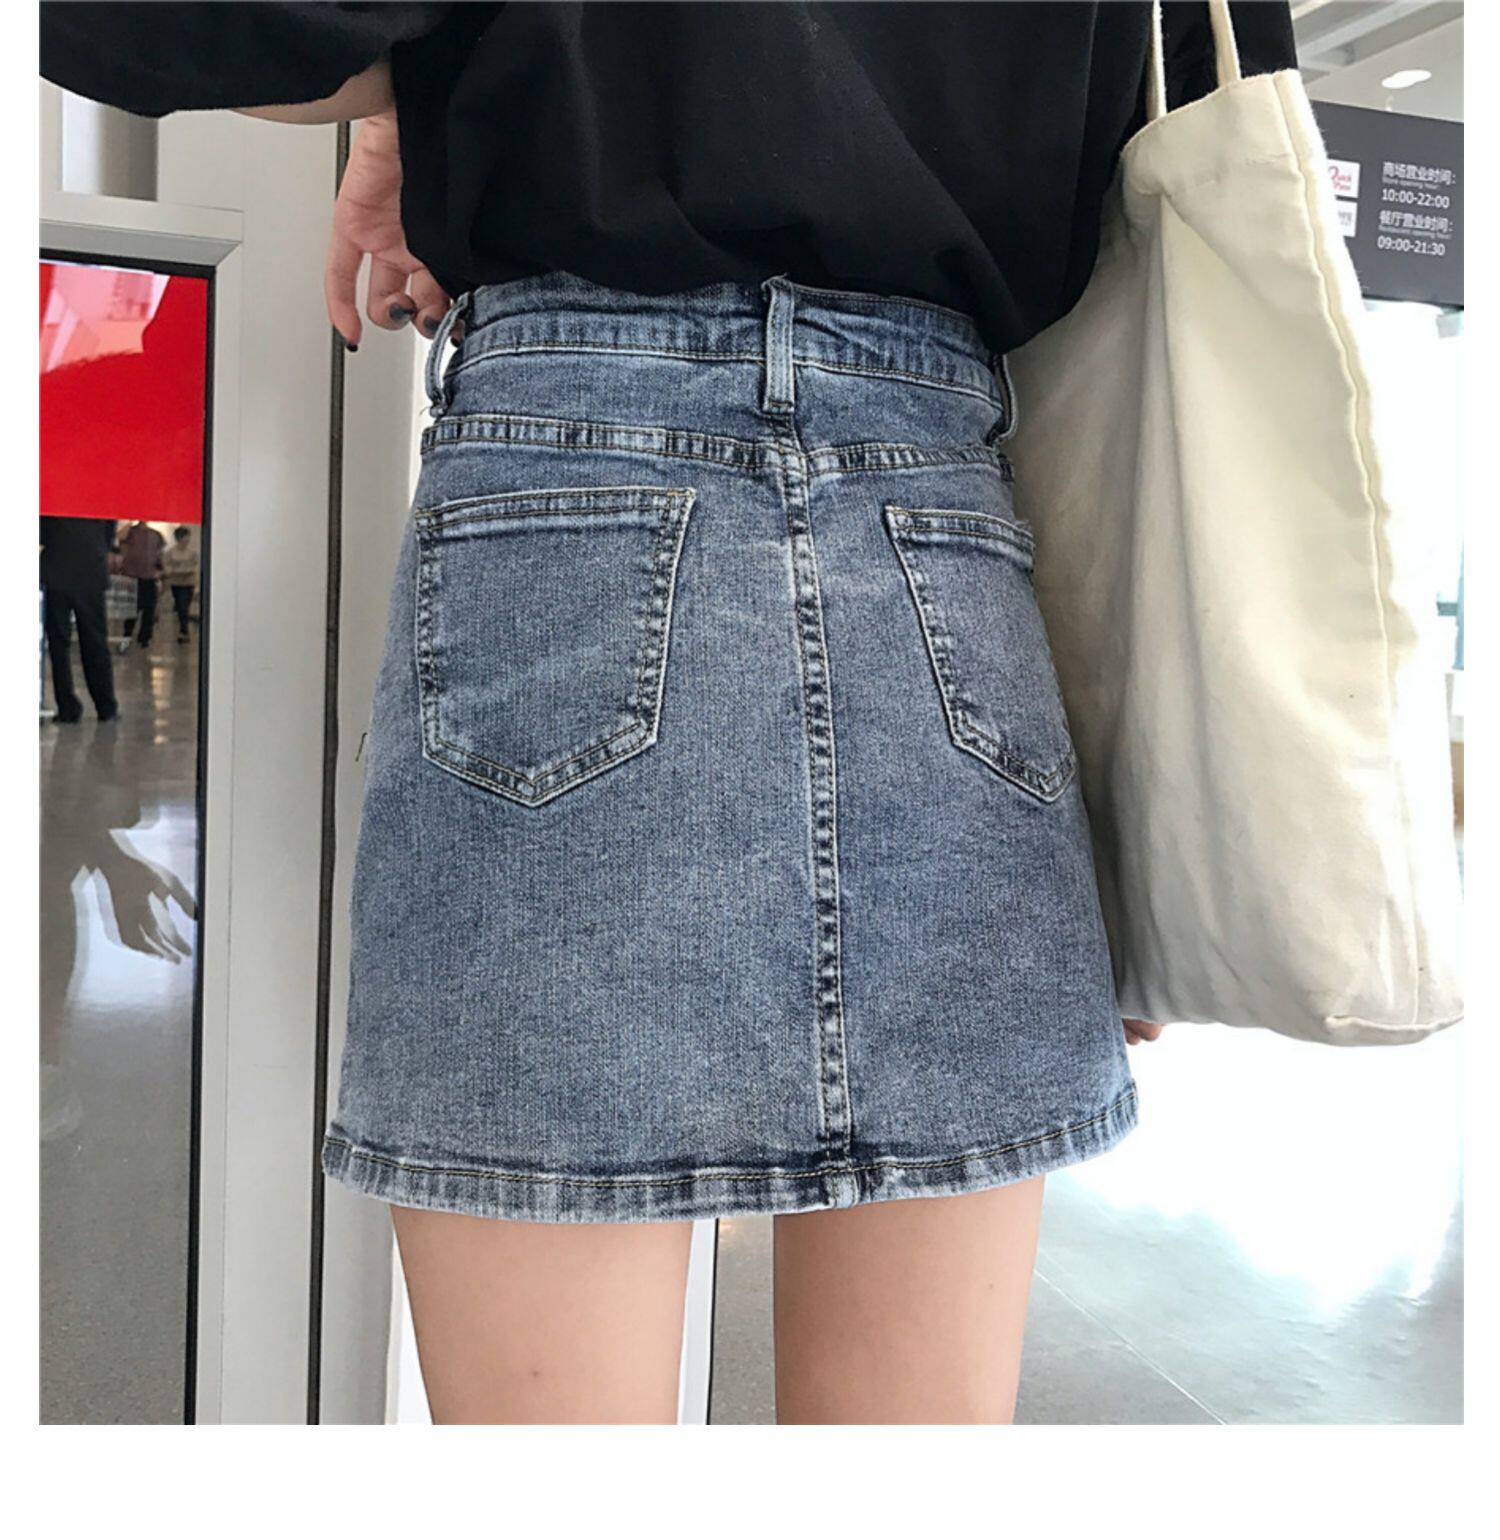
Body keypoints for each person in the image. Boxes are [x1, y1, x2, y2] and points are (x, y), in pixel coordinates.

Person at [41, 2, 1298, 1425]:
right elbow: (1183, 122)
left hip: (580, 491)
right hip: (944, 528)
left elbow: (227, 27)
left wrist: (424, 86)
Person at [39, 515, 119, 724]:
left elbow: (41, 534)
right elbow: (108, 533)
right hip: (90, 572)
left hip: (56, 572)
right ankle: (106, 707)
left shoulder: (51, 502)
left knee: (58, 645)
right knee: (95, 642)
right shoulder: (100, 502)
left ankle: (67, 708)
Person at [116, 519, 163, 647]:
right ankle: (128, 634)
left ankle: (144, 637)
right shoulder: (129, 532)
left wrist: (159, 570)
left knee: (149, 609)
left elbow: (159, 554)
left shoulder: (155, 535)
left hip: (148, 576)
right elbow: (120, 540)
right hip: (133, 576)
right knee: (132, 609)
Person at [160, 526, 200, 644]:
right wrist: (175, 571)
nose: (187, 540)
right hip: (176, 583)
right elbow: (167, 568)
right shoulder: (170, 553)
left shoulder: (192, 553)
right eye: (185, 537)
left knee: (184, 606)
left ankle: (184, 631)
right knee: (180, 606)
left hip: (188, 583)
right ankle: (183, 629)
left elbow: (195, 566)